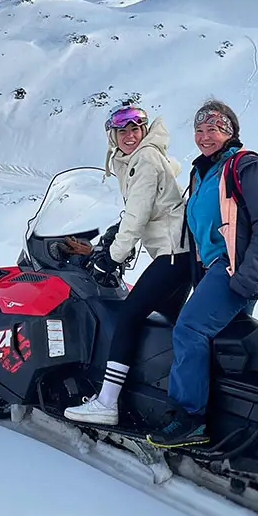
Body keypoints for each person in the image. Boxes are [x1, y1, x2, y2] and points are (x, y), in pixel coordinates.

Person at [147, 99, 258, 448]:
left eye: (214, 130)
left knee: (189, 329)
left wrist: (246, 279)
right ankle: (227, 413)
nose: (205, 137)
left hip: (235, 269)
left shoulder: (247, 167)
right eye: (199, 130)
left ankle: (189, 418)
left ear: (229, 132)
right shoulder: (202, 171)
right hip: (213, 269)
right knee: (221, 339)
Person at [61, 104, 192, 427]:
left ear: (144, 132)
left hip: (172, 254)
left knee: (129, 316)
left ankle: (107, 402)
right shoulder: (139, 159)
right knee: (178, 326)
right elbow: (138, 211)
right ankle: (179, 400)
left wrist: (110, 259)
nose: (130, 136)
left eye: (135, 129)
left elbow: (137, 217)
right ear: (113, 136)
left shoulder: (145, 160)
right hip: (182, 255)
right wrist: (111, 236)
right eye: (123, 131)